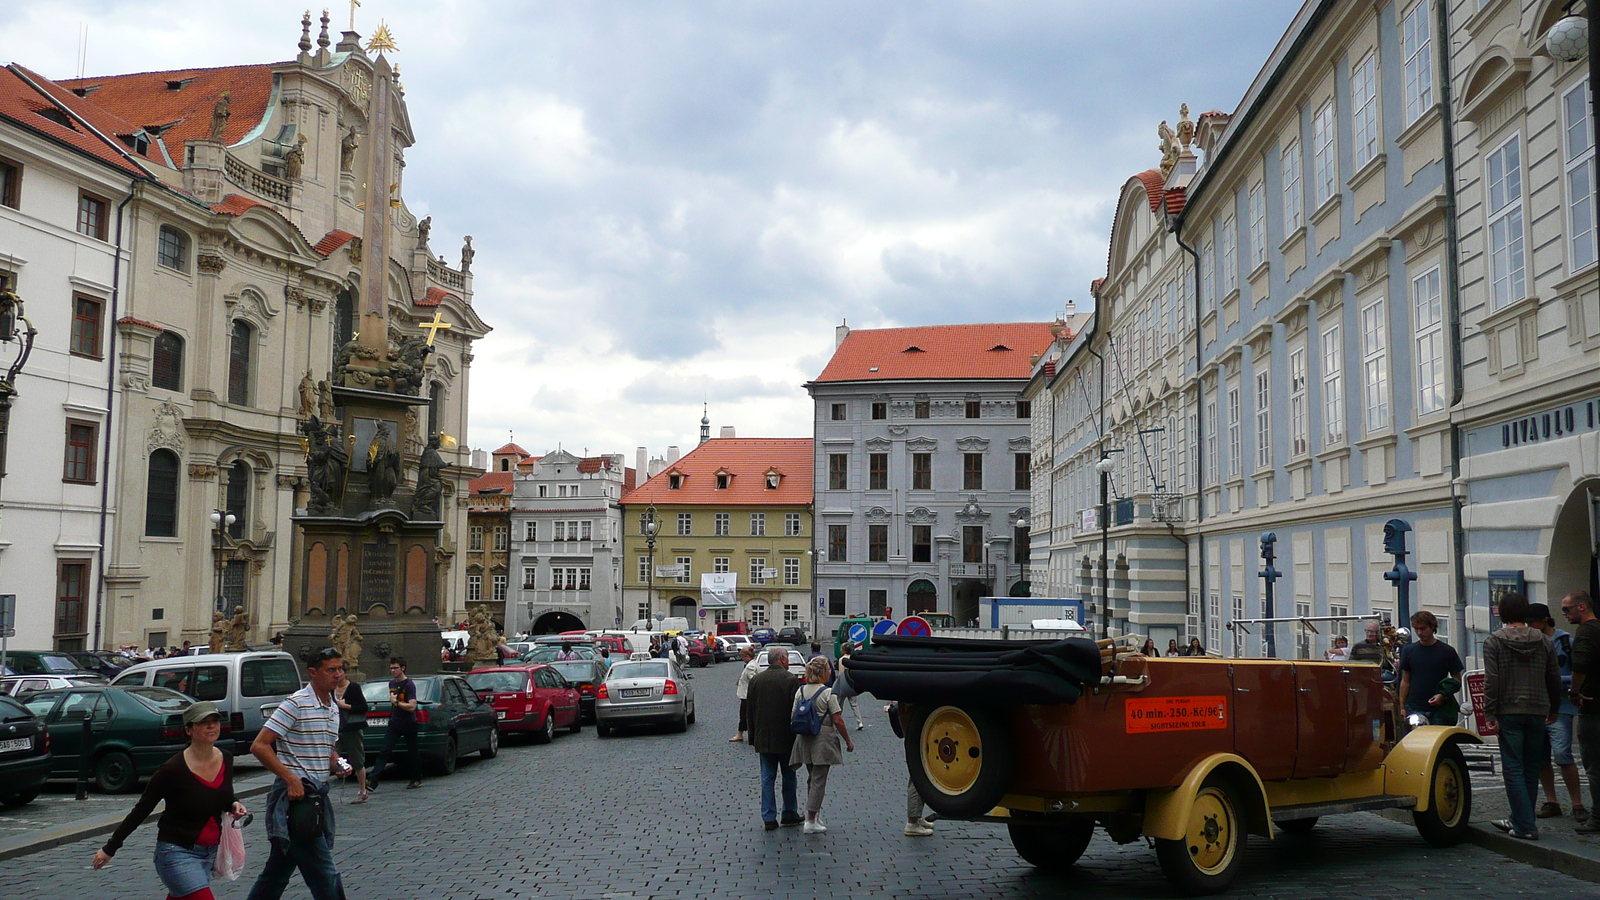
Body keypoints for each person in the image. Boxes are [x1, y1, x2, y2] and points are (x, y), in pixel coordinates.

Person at [94, 700, 249, 899]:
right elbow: (141, 810)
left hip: (209, 853)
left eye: (214, 721)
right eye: (203, 722)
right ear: (189, 730)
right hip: (177, 853)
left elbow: (223, 796)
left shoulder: (226, 758)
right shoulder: (172, 769)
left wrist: (234, 804)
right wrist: (109, 848)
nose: (211, 726)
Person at [246, 647, 351, 900]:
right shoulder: (296, 704)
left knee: (277, 872)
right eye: (331, 670)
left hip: (316, 795)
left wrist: (337, 763)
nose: (338, 674)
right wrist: (290, 778)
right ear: (313, 673)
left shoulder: (332, 706)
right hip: (296, 800)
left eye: (340, 669)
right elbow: (259, 746)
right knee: (325, 872)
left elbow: (326, 746)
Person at [1483, 592, 1561, 841]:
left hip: (1508, 708)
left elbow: (1492, 680)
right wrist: (1554, 707)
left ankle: (1525, 824)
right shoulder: (1544, 640)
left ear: (1503, 613)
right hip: (1537, 707)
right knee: (1531, 766)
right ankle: (1521, 818)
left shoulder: (1494, 641)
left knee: (1513, 766)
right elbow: (1553, 677)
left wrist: (1489, 711)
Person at [1531, 602, 1586, 822]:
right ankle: (1551, 801)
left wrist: (1556, 682)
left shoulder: (1565, 642)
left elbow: (1579, 674)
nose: (1529, 625)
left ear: (1544, 620)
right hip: (1537, 706)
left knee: (1563, 754)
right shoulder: (1531, 642)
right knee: (1541, 756)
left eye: (1532, 621)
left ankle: (1577, 803)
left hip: (1561, 707)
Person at [791, 656, 855, 833]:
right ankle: (810, 820)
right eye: (828, 670)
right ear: (824, 673)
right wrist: (848, 741)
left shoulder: (801, 691)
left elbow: (793, 716)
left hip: (804, 739)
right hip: (823, 740)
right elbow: (838, 719)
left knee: (812, 778)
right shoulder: (827, 693)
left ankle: (815, 815)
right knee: (819, 780)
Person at [747, 647, 802, 830]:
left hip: (764, 738)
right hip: (786, 737)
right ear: (783, 659)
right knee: (789, 776)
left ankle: (769, 817)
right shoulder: (790, 680)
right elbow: (795, 711)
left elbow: (750, 711)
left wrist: (753, 736)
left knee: (767, 778)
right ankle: (789, 812)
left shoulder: (756, 680)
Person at [1566, 590, 1600, 834]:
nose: (1564, 614)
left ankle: (1598, 817)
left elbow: (1579, 665)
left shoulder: (1586, 632)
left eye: (1567, 609)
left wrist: (1574, 692)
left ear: (1581, 607)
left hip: (1593, 706)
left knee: (1594, 765)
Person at [1398, 611, 1464, 726]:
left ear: (1432, 627)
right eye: (1416, 629)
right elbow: (1405, 680)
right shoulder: (1408, 651)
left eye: (1423, 629)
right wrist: (1402, 706)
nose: (1420, 633)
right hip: (1414, 706)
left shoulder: (1447, 651)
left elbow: (1457, 679)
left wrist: (1442, 695)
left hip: (1440, 708)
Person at [365, 656, 421, 791]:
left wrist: (396, 703)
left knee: (413, 751)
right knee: (384, 750)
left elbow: (412, 706)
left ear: (403, 668)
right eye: (391, 668)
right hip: (395, 722)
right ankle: (372, 779)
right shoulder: (392, 684)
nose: (393, 671)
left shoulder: (409, 685)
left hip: (408, 723)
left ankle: (416, 778)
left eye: (395, 668)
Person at [333, 668, 369, 804]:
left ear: (346, 673)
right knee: (330, 756)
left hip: (352, 728)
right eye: (335, 671)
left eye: (340, 671)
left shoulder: (353, 687)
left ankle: (362, 790)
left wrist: (346, 706)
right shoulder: (331, 688)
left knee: (357, 759)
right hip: (335, 728)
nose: (337, 674)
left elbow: (363, 707)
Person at [834, 643, 865, 730]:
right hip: (852, 684)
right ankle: (860, 722)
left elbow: (841, 673)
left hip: (843, 684)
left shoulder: (841, 659)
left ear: (843, 650)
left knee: (839, 705)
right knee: (854, 704)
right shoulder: (853, 659)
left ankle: (837, 723)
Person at [731, 646, 758, 742]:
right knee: (747, 715)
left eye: (742, 656)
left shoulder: (750, 666)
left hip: (747, 695)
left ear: (747, 656)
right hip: (747, 695)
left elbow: (753, 680)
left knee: (744, 715)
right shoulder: (753, 664)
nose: (742, 658)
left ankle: (740, 734)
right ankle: (742, 733)